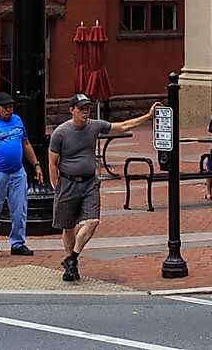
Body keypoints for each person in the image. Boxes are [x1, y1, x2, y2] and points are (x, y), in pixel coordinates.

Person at [46, 92, 159, 283]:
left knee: (92, 221)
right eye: (81, 108)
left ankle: (72, 258)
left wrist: (148, 116)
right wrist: (56, 185)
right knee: (68, 227)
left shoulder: (95, 126)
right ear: (71, 110)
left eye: (88, 108)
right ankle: (72, 268)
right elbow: (52, 162)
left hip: (90, 182)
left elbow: (122, 126)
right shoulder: (61, 132)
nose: (86, 112)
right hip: (67, 182)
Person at [0, 89, 41, 257]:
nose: (9, 110)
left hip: (17, 172)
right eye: (5, 107)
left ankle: (18, 243)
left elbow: (25, 144)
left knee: (19, 209)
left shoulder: (17, 121)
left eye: (11, 107)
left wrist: (36, 165)